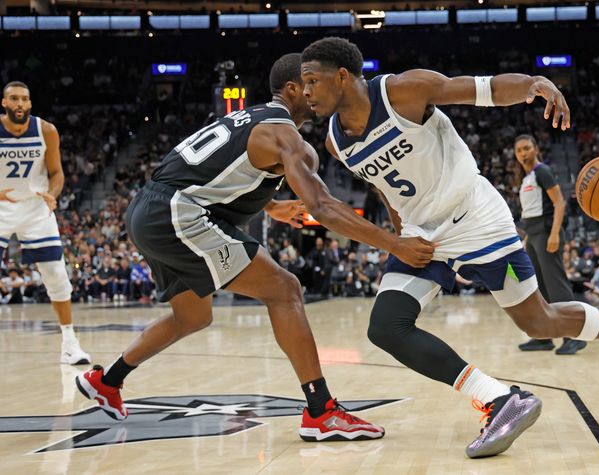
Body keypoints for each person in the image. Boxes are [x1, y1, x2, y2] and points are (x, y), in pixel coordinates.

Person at [301, 37, 599, 459]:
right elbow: (384, 186)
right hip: (423, 234)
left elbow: (483, 89)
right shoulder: (333, 141)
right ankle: (499, 400)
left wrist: (533, 84)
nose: (306, 91)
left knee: (538, 322)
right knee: (385, 326)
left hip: (476, 218)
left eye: (312, 80)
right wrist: (399, 234)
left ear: (342, 76)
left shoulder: (403, 91)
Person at [75, 54, 435, 443]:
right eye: (310, 85)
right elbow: (322, 206)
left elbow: (207, 170)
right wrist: (393, 243)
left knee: (192, 316)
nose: (316, 94)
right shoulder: (283, 134)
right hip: (178, 215)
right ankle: (322, 411)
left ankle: (106, 380)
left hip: (149, 210)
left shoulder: (249, 118)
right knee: (285, 290)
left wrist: (272, 205)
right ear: (292, 89)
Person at [0, 81, 90, 364]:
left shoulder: (46, 130)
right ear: (4, 103)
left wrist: (52, 195)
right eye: (13, 98)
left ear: (29, 104)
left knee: (56, 274)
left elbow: (56, 173)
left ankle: (69, 344)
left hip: (36, 206)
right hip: (1, 205)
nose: (19, 104)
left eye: (23, 99)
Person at [513, 134, 585, 355]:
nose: (523, 153)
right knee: (538, 289)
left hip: (546, 232)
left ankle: (574, 336)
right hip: (533, 235)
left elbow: (559, 203)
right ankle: (543, 337)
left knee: (556, 286)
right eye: (519, 150)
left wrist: (554, 234)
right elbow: (529, 213)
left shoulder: (542, 171)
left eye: (527, 148)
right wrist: (526, 240)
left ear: (535, 149)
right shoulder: (526, 178)